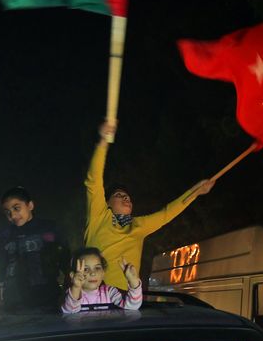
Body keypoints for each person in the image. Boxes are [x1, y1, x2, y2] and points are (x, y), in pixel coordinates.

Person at [85, 121, 214, 290]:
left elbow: (167, 213)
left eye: (128, 197)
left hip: (125, 302)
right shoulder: (99, 217)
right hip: (92, 298)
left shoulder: (139, 225)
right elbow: (93, 182)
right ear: (107, 203)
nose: (126, 199)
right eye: (119, 195)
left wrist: (196, 192)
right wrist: (102, 143)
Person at [0, 186, 70, 310]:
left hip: (47, 299)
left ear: (30, 205)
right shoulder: (4, 235)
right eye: (7, 212)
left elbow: (66, 261)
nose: (12, 214)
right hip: (14, 302)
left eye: (17, 208)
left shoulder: (50, 228)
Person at [62, 247, 143, 313]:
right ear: (73, 276)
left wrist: (133, 281)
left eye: (97, 268)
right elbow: (69, 310)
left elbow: (132, 307)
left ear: (103, 273)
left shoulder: (109, 292)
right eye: (86, 269)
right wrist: (76, 287)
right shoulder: (73, 294)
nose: (93, 273)